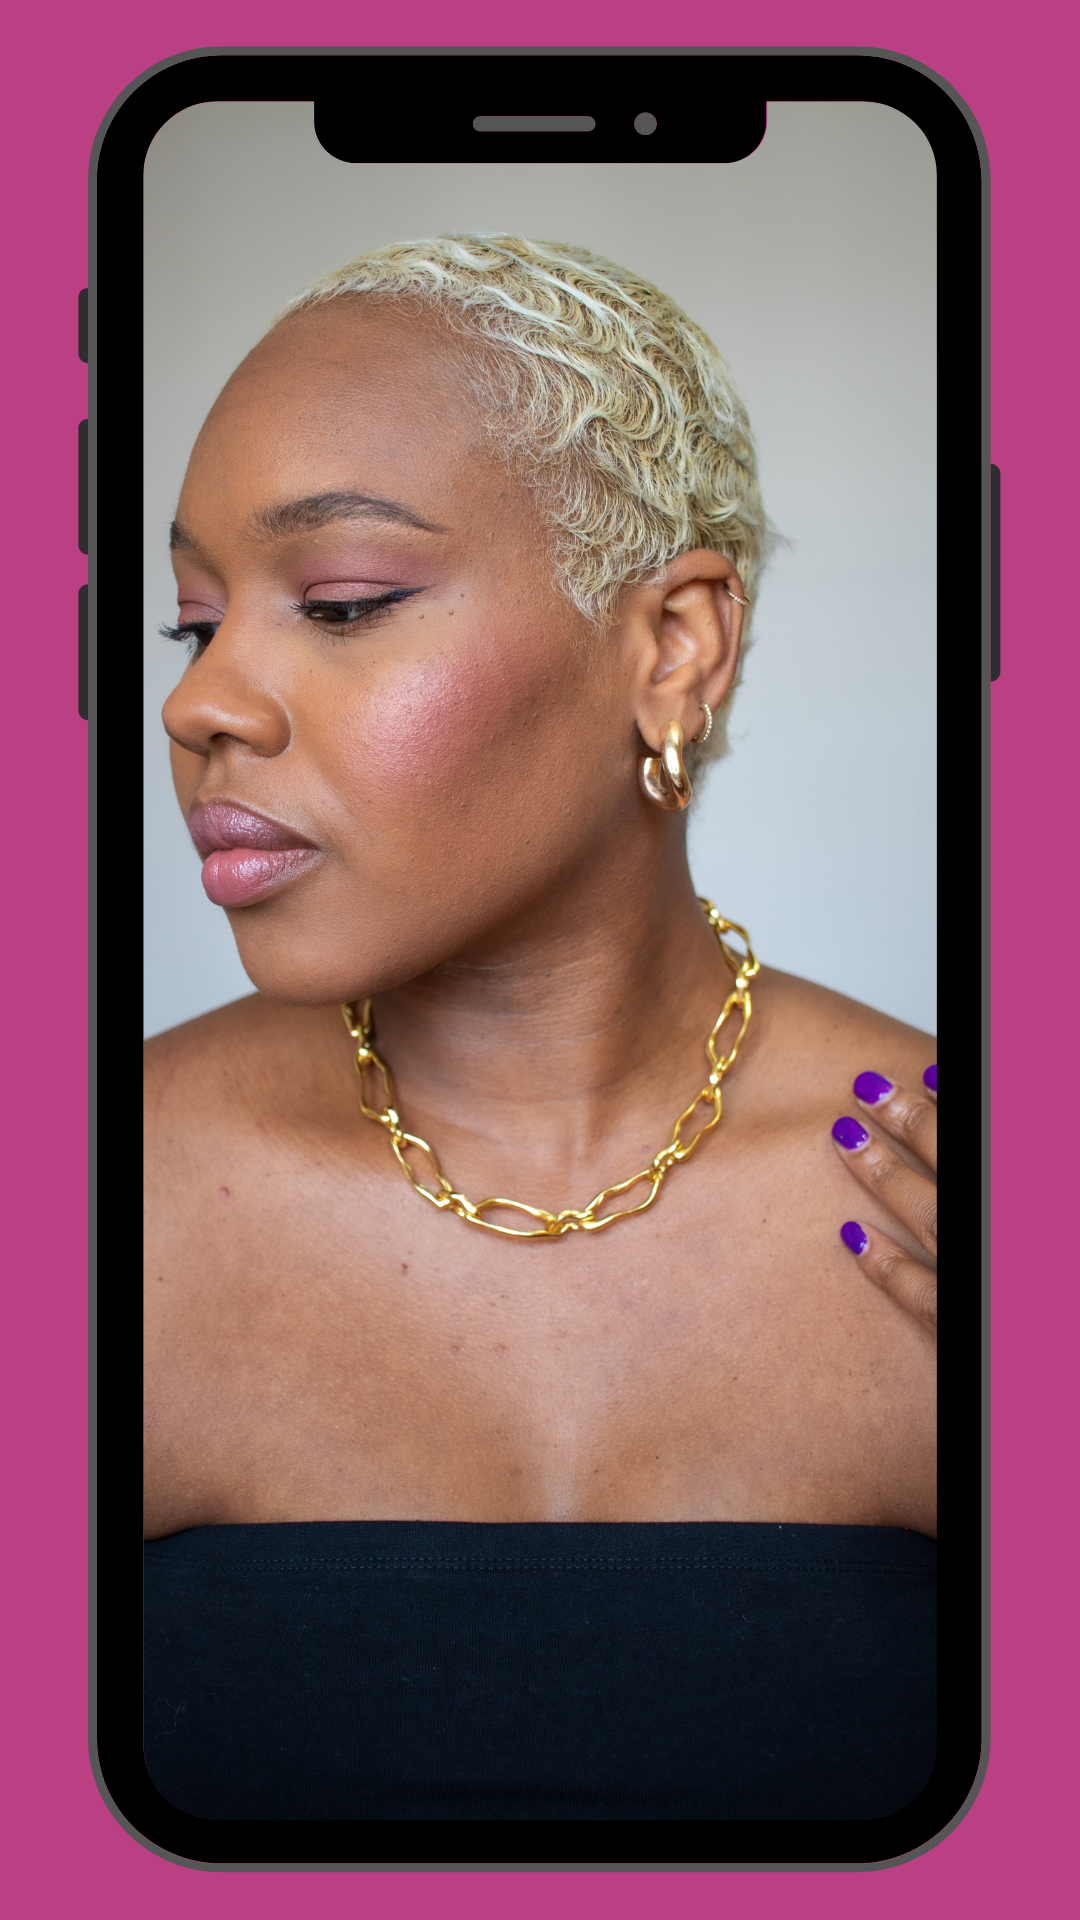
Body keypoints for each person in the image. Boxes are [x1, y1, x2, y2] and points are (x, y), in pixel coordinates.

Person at [143, 236, 938, 1824]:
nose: (203, 704)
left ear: (671, 648)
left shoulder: (965, 1192)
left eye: (344, 604)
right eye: (195, 622)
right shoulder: (84, 1200)